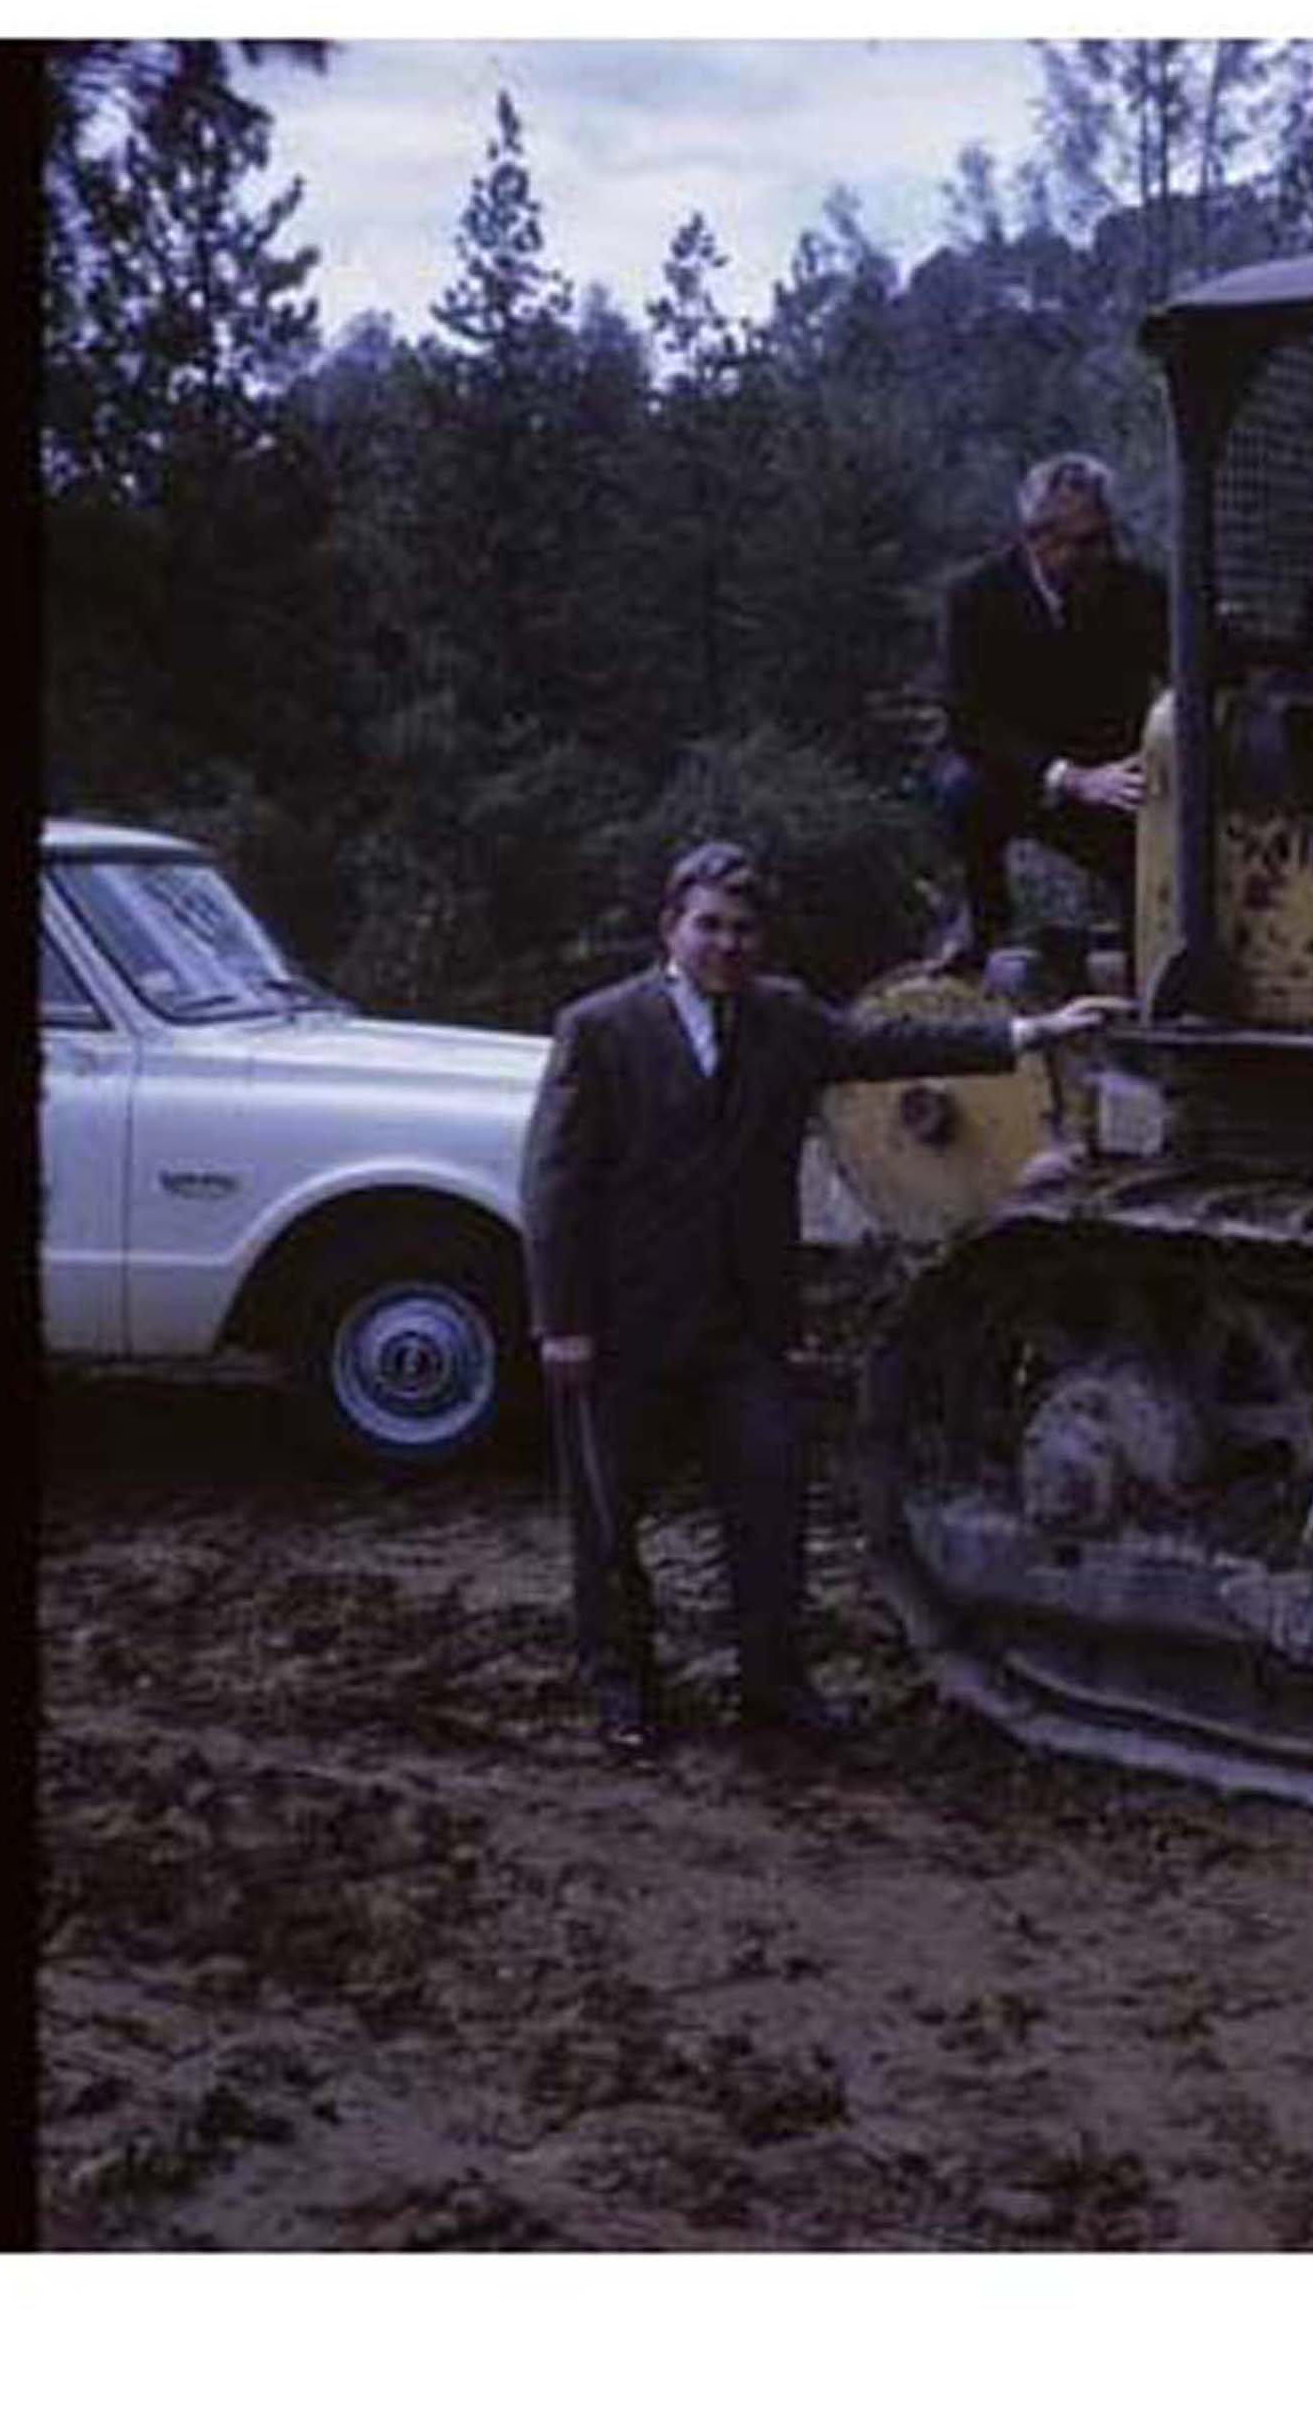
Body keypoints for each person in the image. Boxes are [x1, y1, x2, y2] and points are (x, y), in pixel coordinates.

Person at [521, 841, 1124, 1758]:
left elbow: (886, 1047)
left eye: (743, 929)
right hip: (622, 1324)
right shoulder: (599, 1029)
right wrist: (561, 1323)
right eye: (709, 926)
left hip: (744, 1325)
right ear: (671, 928)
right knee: (609, 1524)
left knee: (769, 1506)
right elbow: (554, 1188)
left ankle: (774, 1690)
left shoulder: (784, 1018)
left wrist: (1027, 1034)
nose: (727, 944)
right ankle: (622, 1693)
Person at [929, 453, 1170, 969]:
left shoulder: (1140, 591)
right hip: (1018, 773)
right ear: (1036, 539)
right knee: (961, 792)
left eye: (1106, 538)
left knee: (1153, 853)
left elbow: (1188, 669)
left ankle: (1148, 973)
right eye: (1084, 543)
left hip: (1113, 778)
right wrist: (1067, 777)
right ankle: (985, 920)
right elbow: (968, 720)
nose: (1100, 555)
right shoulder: (975, 598)